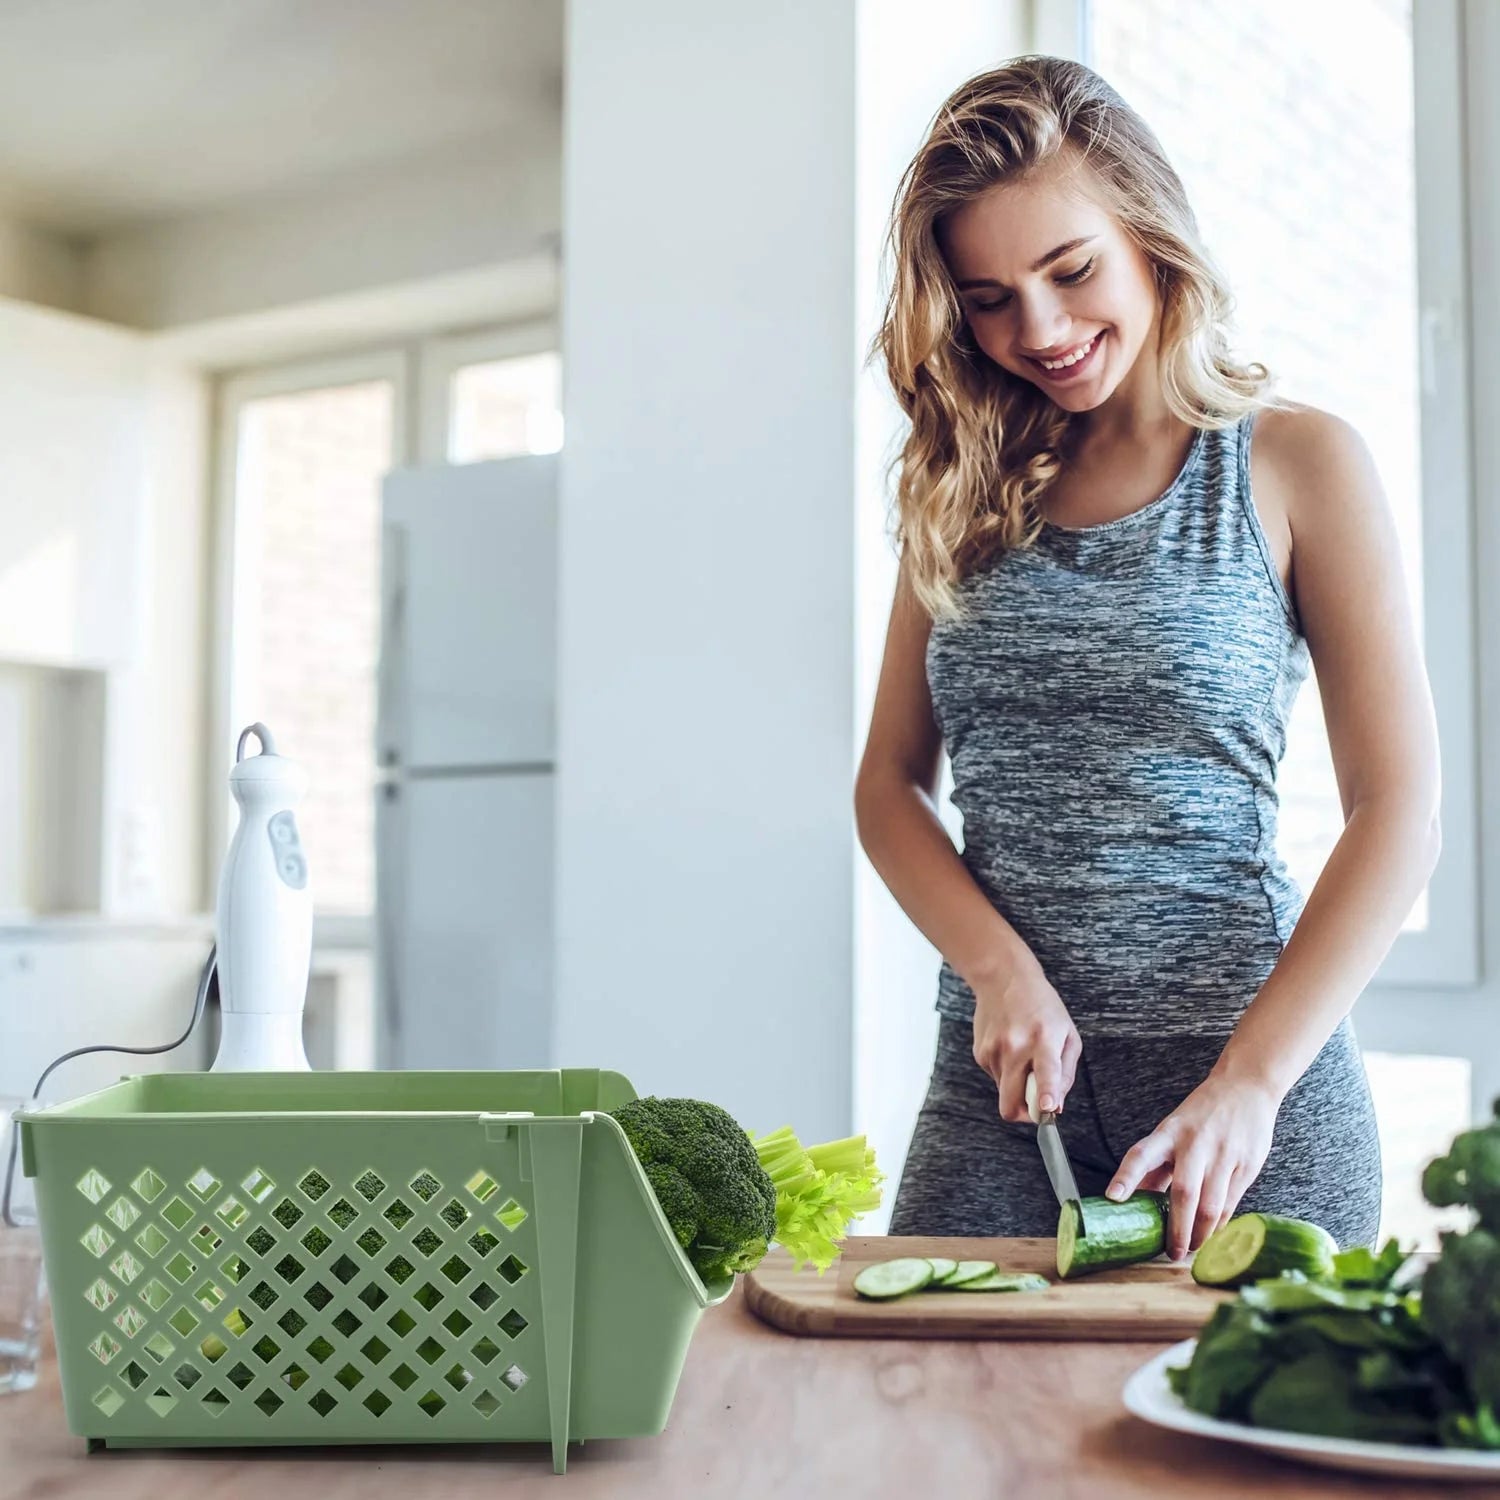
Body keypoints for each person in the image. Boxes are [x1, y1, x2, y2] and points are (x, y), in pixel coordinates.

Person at [854, 55, 1441, 1259]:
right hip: (1001, 1097)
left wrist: (1254, 1083)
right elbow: (888, 787)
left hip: (1244, 1091)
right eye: (989, 298)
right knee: (934, 1429)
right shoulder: (953, 487)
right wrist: (997, 969)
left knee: (1233, 1446)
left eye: (1071, 272)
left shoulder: (1295, 465)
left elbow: (1401, 808)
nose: (1043, 330)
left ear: (1149, 236)